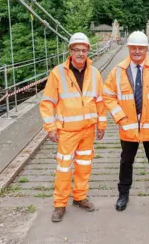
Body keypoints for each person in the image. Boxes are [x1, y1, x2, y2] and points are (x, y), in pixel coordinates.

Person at [39, 32, 107, 222]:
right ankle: (60, 204)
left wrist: (101, 124)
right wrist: (50, 127)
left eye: (83, 50)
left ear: (88, 51)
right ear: (70, 51)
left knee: (84, 165)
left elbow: (100, 101)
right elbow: (47, 103)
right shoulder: (58, 72)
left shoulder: (95, 73)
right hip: (67, 131)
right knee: (63, 168)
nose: (80, 53)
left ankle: (79, 197)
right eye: (76, 50)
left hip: (87, 130)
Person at [103, 31, 149, 212]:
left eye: (140, 48)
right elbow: (108, 96)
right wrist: (120, 118)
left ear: (146, 49)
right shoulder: (117, 71)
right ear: (128, 48)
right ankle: (123, 194)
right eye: (133, 47)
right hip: (128, 128)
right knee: (126, 161)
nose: (136, 51)